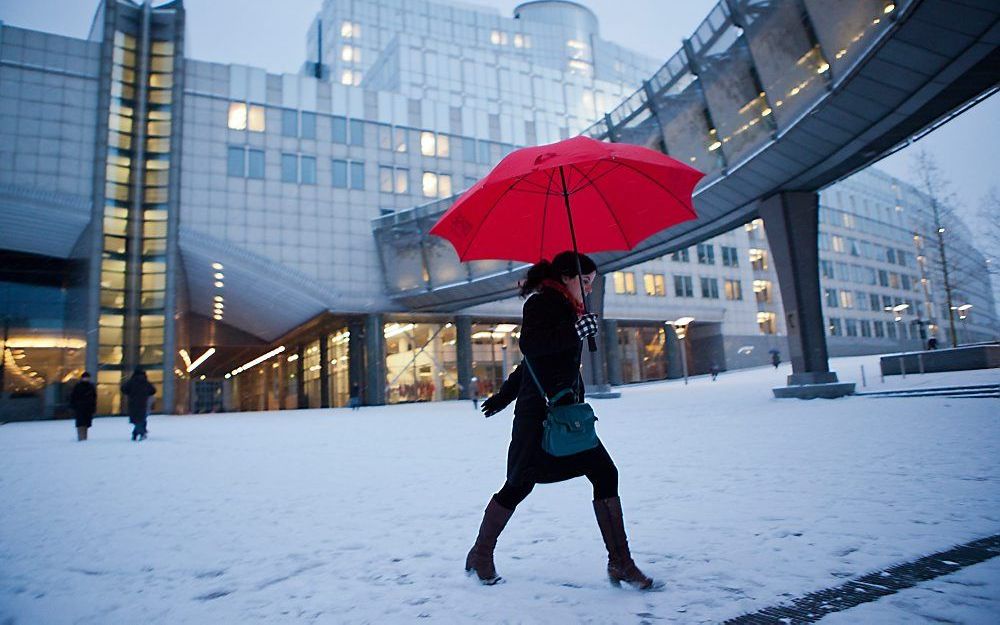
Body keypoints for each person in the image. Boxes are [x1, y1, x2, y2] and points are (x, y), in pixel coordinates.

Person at [465, 251, 658, 590]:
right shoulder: (541, 304)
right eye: (584, 281)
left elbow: (532, 364)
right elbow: (531, 347)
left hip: (567, 415)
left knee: (604, 472)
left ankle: (620, 563)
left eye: (592, 283)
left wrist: (503, 394)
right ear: (567, 277)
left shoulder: (570, 308)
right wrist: (575, 331)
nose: (588, 288)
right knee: (518, 485)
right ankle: (481, 554)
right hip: (538, 418)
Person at [121, 367, 155, 441]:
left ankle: (137, 433)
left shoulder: (131, 381)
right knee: (141, 419)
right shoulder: (146, 382)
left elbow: (123, 389)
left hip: (133, 402)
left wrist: (131, 393)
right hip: (143, 403)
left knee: (136, 419)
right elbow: (153, 390)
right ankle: (139, 433)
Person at [69, 371, 97, 441]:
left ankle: (84, 437)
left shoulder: (91, 386)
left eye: (87, 378)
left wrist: (93, 407)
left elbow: (94, 398)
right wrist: (74, 406)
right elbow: (73, 397)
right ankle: (81, 437)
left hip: (88, 408)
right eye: (85, 378)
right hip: (80, 407)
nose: (86, 379)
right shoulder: (78, 386)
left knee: (86, 423)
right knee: (81, 423)